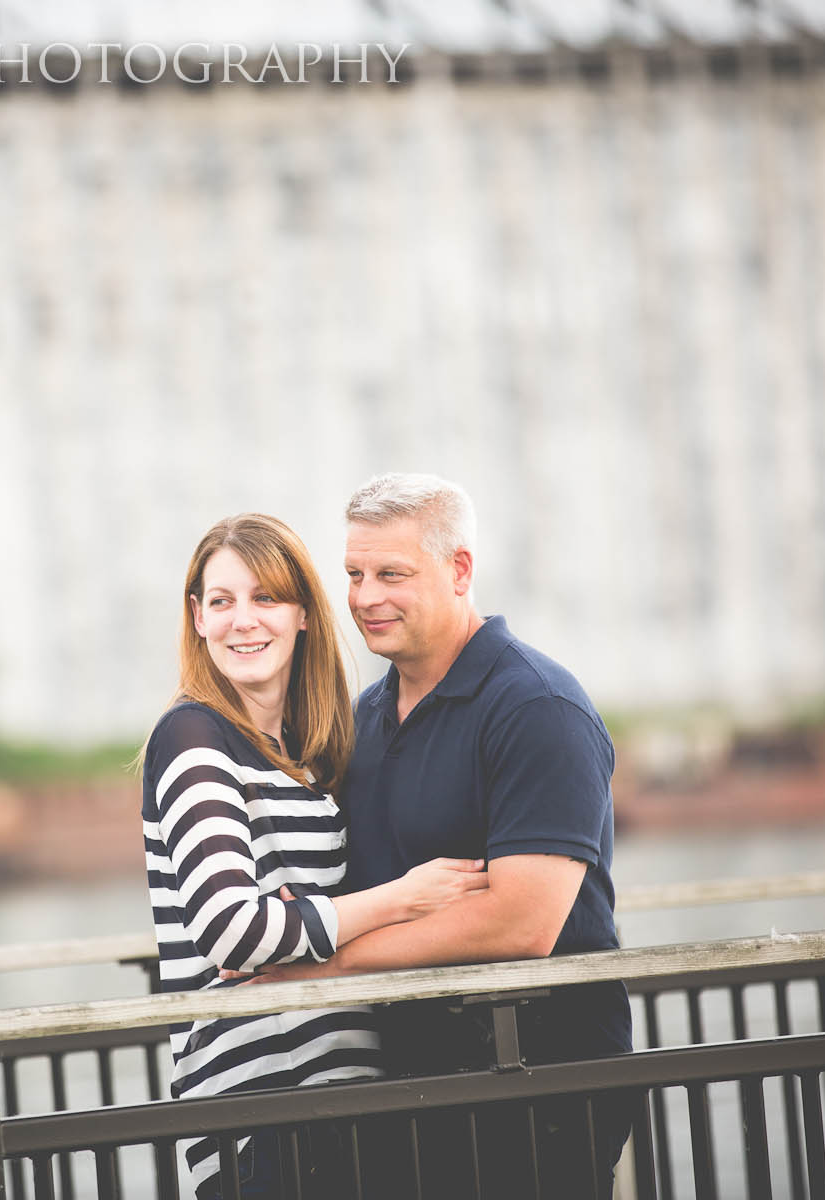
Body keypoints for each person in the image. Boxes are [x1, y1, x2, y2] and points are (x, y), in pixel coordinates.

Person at [244, 473, 635, 1199]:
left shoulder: (538, 707)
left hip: (538, 1082)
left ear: (459, 570)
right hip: (402, 1084)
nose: (365, 597)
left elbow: (522, 921)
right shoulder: (363, 718)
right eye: (355, 574)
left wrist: (326, 966)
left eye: (393, 573)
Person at [141, 512, 489, 1199]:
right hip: (260, 1119)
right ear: (198, 618)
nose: (245, 620)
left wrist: (298, 921)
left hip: (348, 1098)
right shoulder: (192, 737)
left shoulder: (305, 757)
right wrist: (401, 899)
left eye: (266, 598)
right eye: (222, 601)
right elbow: (234, 930)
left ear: (302, 613)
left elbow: (282, 927)